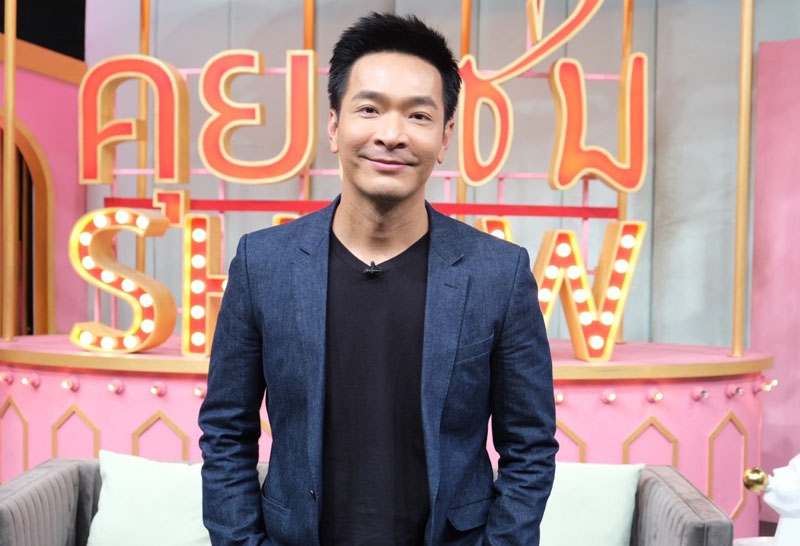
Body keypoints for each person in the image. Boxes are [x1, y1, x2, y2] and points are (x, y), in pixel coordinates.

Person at [198, 12, 557, 546]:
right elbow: (227, 432)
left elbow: (530, 445)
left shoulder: (498, 274)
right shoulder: (262, 263)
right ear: (334, 125)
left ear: (445, 137)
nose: (391, 135)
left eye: (419, 115)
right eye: (369, 109)